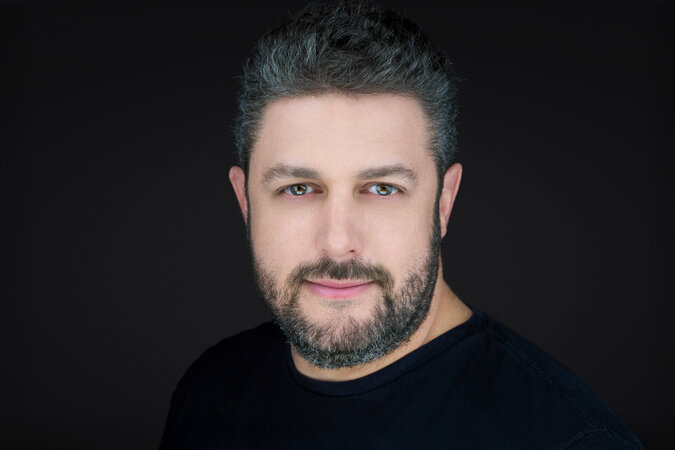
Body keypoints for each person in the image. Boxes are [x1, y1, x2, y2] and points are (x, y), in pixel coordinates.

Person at [160, 2, 643, 448]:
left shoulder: (570, 439)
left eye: (382, 189)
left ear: (444, 203)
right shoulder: (209, 389)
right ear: (245, 201)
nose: (337, 242)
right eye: (299, 188)